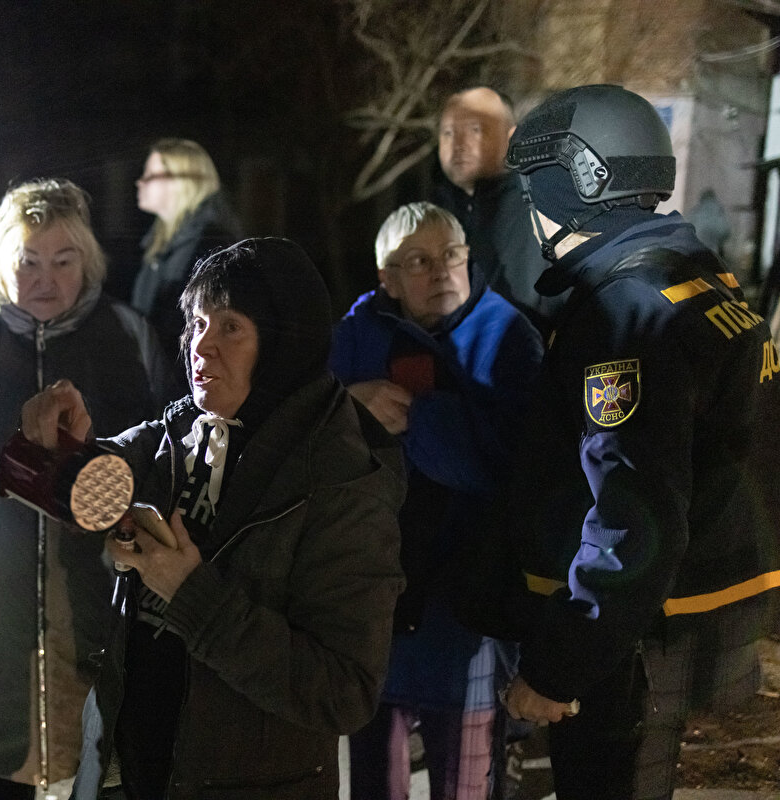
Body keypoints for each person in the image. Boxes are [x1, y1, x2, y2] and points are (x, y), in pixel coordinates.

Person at [462, 83, 780, 800]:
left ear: (581, 180)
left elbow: (632, 518)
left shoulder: (624, 316)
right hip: (701, 631)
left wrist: (558, 666)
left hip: (636, 648)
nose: (531, 209)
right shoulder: (704, 287)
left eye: (535, 186)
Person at [21, 237, 406, 800]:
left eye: (230, 327)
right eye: (197, 324)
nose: (202, 347)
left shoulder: (341, 480)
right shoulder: (185, 430)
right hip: (131, 768)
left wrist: (191, 596)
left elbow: (343, 691)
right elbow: (89, 491)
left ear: (280, 343)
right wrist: (57, 448)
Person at [0, 178, 176, 799]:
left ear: (89, 262)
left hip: (95, 607)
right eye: (27, 261)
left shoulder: (128, 335)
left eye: (63, 260)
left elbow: (163, 463)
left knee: (98, 766)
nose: (45, 278)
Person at [331, 202, 542, 800]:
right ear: (387, 280)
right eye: (418, 261)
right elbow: (309, 435)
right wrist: (348, 406)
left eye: (451, 255)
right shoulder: (355, 335)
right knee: (375, 779)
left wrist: (421, 417)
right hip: (374, 604)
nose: (441, 271)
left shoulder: (509, 337)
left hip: (467, 607)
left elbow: (515, 468)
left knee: (465, 782)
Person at [431, 87, 562, 333]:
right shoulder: (438, 216)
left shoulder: (539, 210)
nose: (458, 144)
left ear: (511, 137)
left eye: (475, 130)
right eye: (448, 132)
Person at [130, 138, 242, 360]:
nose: (139, 182)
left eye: (151, 174)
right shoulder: (161, 242)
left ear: (180, 181)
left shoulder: (210, 243)